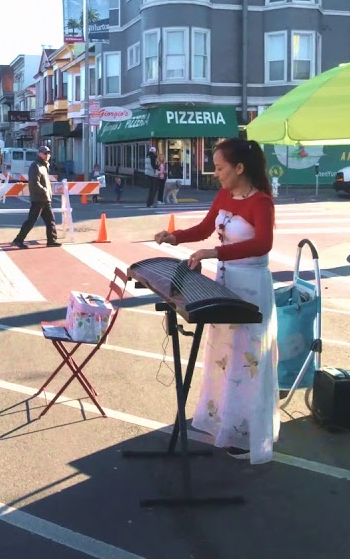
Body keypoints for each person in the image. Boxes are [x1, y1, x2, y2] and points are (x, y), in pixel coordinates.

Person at [153, 137, 278, 463]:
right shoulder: (225, 194)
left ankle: (248, 432)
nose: (216, 172)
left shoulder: (261, 202)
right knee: (224, 356)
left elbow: (263, 244)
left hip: (251, 285)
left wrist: (215, 252)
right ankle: (225, 423)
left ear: (240, 168)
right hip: (226, 282)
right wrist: (176, 236)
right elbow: (207, 227)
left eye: (221, 167)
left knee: (247, 360)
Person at [11, 146, 61, 250]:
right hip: (38, 198)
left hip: (45, 198)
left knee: (50, 220)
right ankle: (18, 240)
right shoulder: (36, 166)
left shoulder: (44, 165)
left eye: (48, 153)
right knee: (31, 221)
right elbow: (34, 182)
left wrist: (47, 193)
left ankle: (52, 240)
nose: (47, 155)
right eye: (45, 153)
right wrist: (44, 191)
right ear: (39, 153)